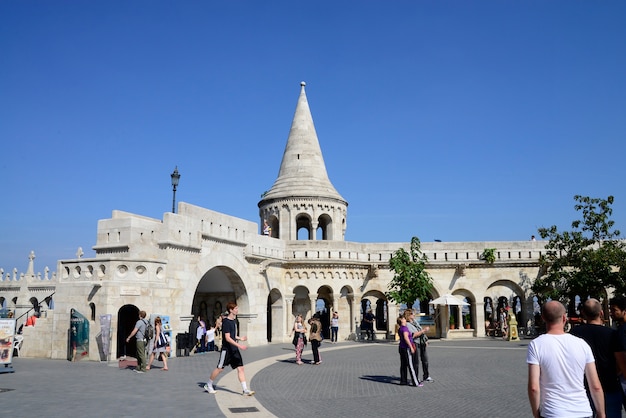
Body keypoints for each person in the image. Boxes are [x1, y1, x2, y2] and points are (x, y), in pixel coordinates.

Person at [527, 300, 605, 418]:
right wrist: (601, 413)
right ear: (564, 318)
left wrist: (536, 413)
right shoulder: (582, 344)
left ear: (543, 318)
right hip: (582, 411)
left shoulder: (536, 344)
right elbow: (595, 386)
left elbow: (534, 387)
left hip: (552, 412)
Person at [571, 298, 622, 418]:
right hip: (609, 386)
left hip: (582, 387)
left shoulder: (574, 334)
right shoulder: (612, 334)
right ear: (601, 313)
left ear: (583, 313)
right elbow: (620, 362)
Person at [204, 302, 255, 396]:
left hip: (234, 350)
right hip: (227, 350)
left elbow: (232, 335)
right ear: (231, 310)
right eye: (235, 308)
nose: (237, 310)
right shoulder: (226, 322)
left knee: (241, 369)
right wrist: (240, 346)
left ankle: (245, 390)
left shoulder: (233, 322)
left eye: (237, 308)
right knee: (220, 368)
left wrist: (240, 338)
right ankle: (208, 384)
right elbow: (227, 338)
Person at [608, 295, 626, 412]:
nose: (611, 313)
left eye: (614, 310)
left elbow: (622, 356)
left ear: (624, 311)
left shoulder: (622, 331)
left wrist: (619, 371)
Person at [405, 309, 432, 383]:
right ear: (409, 315)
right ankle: (415, 377)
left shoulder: (415, 322)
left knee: (425, 360)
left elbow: (420, 330)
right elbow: (413, 335)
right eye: (413, 314)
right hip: (415, 343)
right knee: (416, 361)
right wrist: (424, 330)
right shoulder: (408, 324)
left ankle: (426, 375)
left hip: (422, 342)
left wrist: (425, 339)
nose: (414, 315)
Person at [397, 315, 420, 387]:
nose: (405, 320)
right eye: (404, 319)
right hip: (406, 348)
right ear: (401, 321)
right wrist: (411, 347)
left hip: (401, 347)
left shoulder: (400, 328)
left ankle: (403, 380)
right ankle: (415, 382)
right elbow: (406, 338)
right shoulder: (405, 329)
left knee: (403, 364)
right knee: (410, 365)